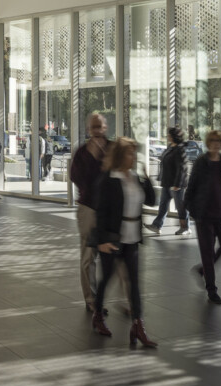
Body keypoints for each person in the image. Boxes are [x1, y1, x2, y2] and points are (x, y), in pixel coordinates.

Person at [89, 138, 158, 347]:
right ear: (120, 156)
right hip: (113, 238)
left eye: (134, 153)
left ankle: (138, 326)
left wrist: (147, 179)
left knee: (135, 284)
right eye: (129, 153)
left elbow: (151, 201)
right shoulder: (108, 179)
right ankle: (98, 315)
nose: (133, 157)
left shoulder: (135, 178)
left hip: (133, 239)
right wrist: (100, 241)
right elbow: (100, 212)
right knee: (106, 278)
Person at [183, 129, 221, 304]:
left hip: (220, 213)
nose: (216, 143)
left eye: (219, 140)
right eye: (213, 140)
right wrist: (188, 212)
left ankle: (202, 271)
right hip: (203, 214)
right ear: (208, 143)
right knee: (207, 253)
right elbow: (191, 187)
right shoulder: (201, 162)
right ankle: (211, 289)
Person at [69, 112, 110, 314]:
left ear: (105, 127)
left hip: (109, 211)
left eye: (100, 126)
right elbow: (75, 176)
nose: (97, 130)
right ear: (88, 129)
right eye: (93, 127)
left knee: (114, 258)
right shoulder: (82, 152)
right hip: (87, 208)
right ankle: (91, 299)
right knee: (88, 256)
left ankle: (116, 299)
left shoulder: (112, 149)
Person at [148, 126, 189, 235]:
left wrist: (178, 184)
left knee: (180, 207)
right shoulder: (170, 147)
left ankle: (185, 227)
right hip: (167, 182)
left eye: (169, 135)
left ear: (174, 136)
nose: (168, 137)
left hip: (176, 184)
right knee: (163, 205)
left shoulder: (180, 149)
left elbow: (182, 168)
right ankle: (157, 225)